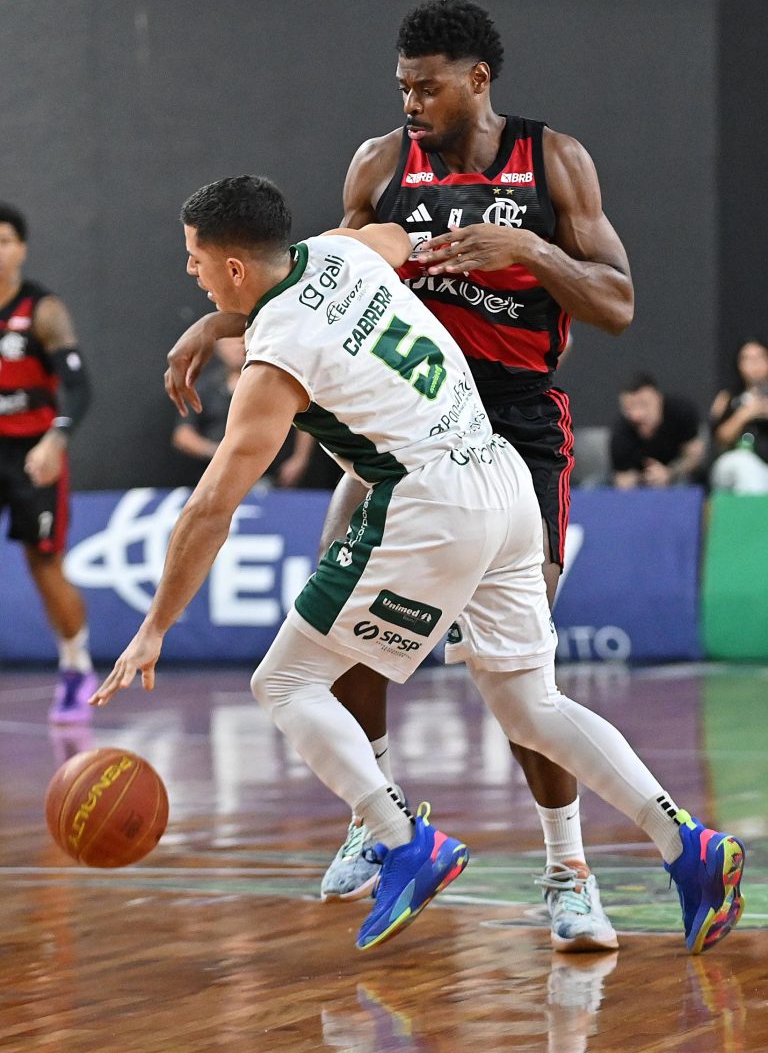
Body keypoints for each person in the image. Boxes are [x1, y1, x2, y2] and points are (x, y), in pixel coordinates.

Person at [90, 174, 744, 957]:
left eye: (195, 259)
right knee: (531, 705)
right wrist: (218, 322)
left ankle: (403, 840)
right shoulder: (345, 250)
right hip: (501, 477)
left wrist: (155, 626)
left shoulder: (274, 363)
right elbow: (399, 242)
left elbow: (210, 508)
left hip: (432, 504)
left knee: (285, 683)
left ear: (233, 267)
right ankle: (688, 845)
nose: (190, 270)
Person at [163, 0, 635, 951]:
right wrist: (221, 316)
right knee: (333, 633)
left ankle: (569, 869)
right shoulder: (381, 164)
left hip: (511, 423)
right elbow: (314, 277)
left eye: (427, 86)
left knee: (515, 675)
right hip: (400, 427)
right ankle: (376, 819)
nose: (411, 101)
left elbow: (619, 302)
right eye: (402, 86)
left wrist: (531, 249)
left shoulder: (554, 161)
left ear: (478, 79)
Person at [0, 202, 95, 722]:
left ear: (21, 249)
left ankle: (76, 666)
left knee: (43, 564)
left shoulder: (42, 310)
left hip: (32, 452)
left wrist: (54, 441)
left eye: (4, 242)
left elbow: (78, 388)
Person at [171, 336, 316, 487]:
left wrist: (300, 458)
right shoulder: (205, 387)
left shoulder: (274, 383)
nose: (236, 348)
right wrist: (217, 452)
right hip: (215, 476)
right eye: (229, 343)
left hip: (267, 476)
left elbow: (304, 416)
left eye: (241, 342)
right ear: (218, 347)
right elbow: (183, 434)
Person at [610, 373, 706, 488]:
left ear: (659, 399)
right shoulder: (620, 431)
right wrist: (640, 479)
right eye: (629, 408)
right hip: (640, 485)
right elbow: (621, 476)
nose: (638, 414)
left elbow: (694, 458)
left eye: (644, 405)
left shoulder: (681, 412)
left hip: (679, 478)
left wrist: (670, 473)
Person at [708, 338, 768, 494]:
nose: (754, 364)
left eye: (759, 357)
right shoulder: (727, 398)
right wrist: (745, 414)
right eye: (747, 359)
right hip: (733, 464)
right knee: (744, 464)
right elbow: (719, 440)